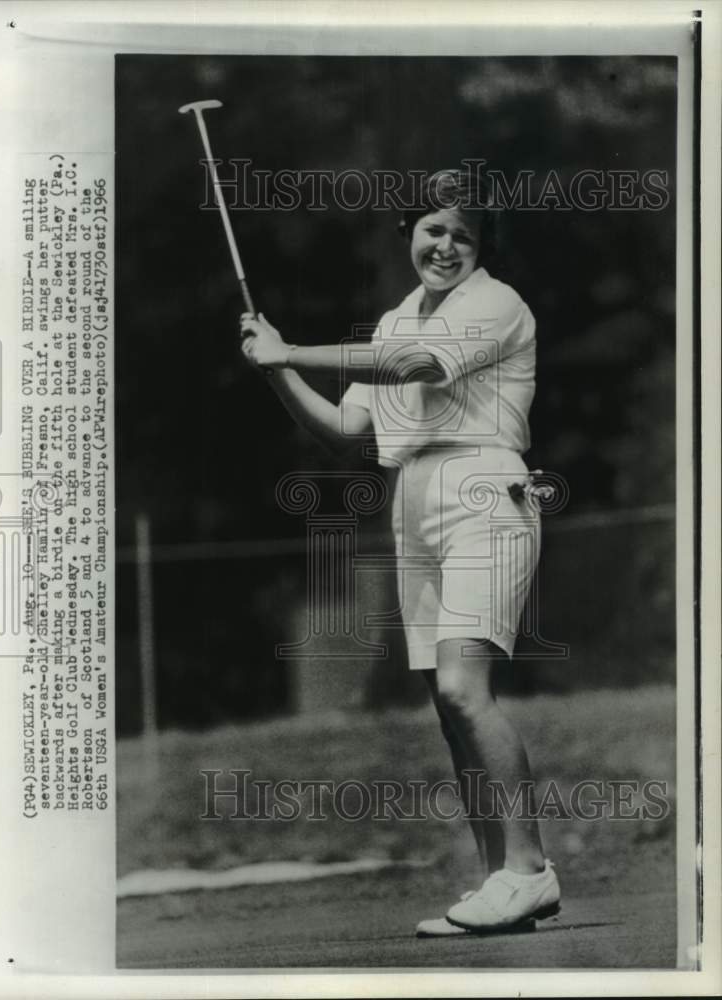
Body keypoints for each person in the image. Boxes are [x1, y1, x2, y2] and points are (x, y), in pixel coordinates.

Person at [239, 168, 561, 935]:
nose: (445, 245)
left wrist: (296, 349)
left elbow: (418, 367)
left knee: (461, 688)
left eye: (463, 234)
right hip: (412, 501)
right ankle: (497, 883)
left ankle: (531, 869)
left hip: (485, 488)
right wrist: (276, 369)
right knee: (446, 709)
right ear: (409, 234)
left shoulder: (496, 303)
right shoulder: (389, 323)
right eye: (433, 229)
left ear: (479, 248)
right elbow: (348, 432)